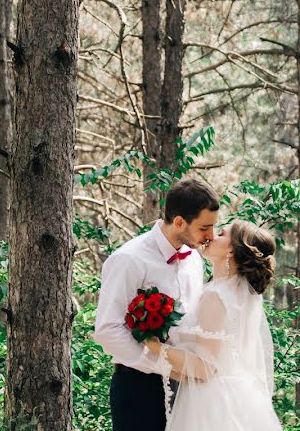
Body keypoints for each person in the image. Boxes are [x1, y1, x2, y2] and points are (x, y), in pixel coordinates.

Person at [94, 178, 220, 431]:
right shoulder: (129, 259)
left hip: (188, 388)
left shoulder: (194, 259)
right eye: (205, 228)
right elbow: (107, 331)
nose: (211, 236)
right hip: (139, 389)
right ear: (179, 222)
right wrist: (164, 366)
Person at [144, 220, 282, 431]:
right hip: (240, 398)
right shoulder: (237, 293)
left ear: (231, 251)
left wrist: (154, 347)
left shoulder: (216, 295)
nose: (212, 235)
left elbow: (205, 367)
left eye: (222, 234)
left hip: (212, 404)